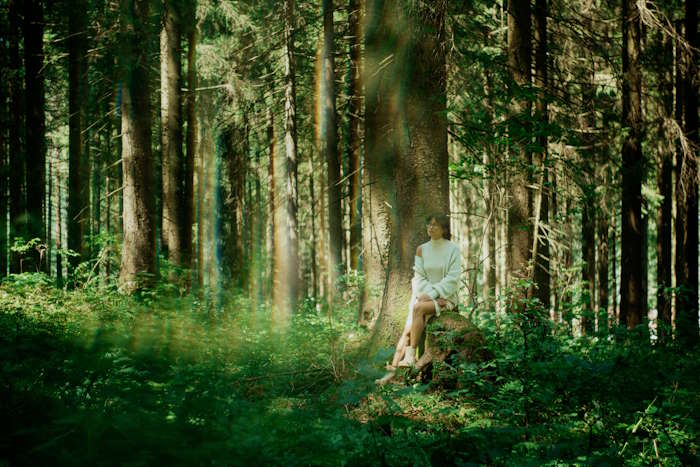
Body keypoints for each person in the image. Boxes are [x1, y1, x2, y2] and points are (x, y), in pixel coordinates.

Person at [376, 213, 462, 384]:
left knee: (418, 309)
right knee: (408, 329)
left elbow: (452, 279)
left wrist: (432, 295)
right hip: (422, 296)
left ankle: (410, 357)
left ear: (443, 228)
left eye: (435, 225)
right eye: (428, 224)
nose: (430, 228)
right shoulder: (421, 249)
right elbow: (418, 277)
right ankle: (392, 373)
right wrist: (427, 295)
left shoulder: (453, 249)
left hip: (445, 298)